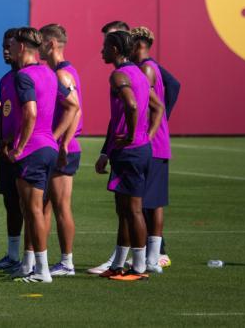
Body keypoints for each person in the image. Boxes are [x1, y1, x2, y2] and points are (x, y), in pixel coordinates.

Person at [3, 27, 78, 284]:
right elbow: (72, 106)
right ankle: (31, 266)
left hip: (32, 150)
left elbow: (30, 113)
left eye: (12, 44)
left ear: (22, 47)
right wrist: (54, 137)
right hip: (46, 148)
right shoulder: (50, 72)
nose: (8, 48)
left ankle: (42, 270)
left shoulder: (23, 76)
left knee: (33, 211)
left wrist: (20, 147)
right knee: (32, 209)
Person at [94, 29, 163, 282]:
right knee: (123, 209)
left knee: (133, 210)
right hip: (135, 149)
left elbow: (132, 105)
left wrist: (134, 134)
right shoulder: (140, 73)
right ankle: (119, 264)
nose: (101, 51)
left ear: (114, 50)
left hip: (131, 151)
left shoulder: (119, 75)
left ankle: (140, 267)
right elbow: (157, 107)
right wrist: (107, 150)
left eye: (104, 46)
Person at [38, 23, 83, 277]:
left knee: (60, 206)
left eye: (41, 43)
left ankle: (67, 262)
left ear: (51, 44)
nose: (38, 48)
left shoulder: (63, 75)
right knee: (43, 206)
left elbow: (75, 110)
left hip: (63, 148)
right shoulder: (58, 72)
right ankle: (38, 260)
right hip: (58, 147)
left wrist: (59, 141)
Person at [131, 26, 171, 274]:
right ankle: (152, 257)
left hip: (152, 145)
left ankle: (152, 258)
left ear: (138, 44)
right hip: (157, 142)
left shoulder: (145, 69)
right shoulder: (152, 67)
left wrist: (148, 136)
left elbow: (149, 107)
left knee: (148, 203)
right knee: (152, 203)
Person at [0, 29, 24, 271]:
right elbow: (4, 113)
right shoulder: (5, 80)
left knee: (30, 205)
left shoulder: (29, 77)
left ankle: (32, 258)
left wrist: (13, 140)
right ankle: (12, 255)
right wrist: (0, 140)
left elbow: (33, 116)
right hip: (6, 151)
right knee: (10, 202)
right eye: (2, 46)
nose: (4, 51)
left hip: (24, 150)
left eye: (8, 46)